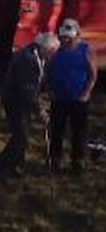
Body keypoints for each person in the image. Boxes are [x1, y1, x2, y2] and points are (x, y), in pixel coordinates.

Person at [0, 33, 60, 177]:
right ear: (44, 48)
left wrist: (48, 93)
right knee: (21, 136)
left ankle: (9, 164)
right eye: (53, 51)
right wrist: (40, 110)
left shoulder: (39, 56)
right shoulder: (27, 59)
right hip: (14, 100)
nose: (54, 55)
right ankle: (4, 168)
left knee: (21, 134)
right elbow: (27, 89)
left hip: (23, 100)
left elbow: (42, 78)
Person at [47, 19, 98, 174]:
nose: (66, 40)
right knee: (57, 130)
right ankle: (55, 159)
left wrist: (86, 93)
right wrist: (50, 90)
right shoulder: (55, 50)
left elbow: (92, 75)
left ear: (77, 36)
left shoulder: (85, 50)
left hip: (79, 99)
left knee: (79, 132)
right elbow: (47, 72)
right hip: (58, 98)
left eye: (69, 38)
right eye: (63, 37)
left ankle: (78, 161)